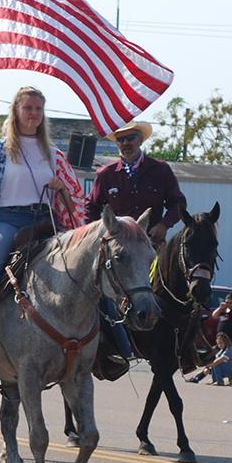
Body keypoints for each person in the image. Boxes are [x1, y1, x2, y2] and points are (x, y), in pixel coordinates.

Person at [0, 86, 86, 376]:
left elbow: (75, 196)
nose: (34, 114)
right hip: (6, 221)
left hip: (45, 222)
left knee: (86, 267)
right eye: (28, 108)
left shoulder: (53, 154)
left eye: (38, 109)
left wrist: (60, 187)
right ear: (16, 111)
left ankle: (111, 343)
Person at [85, 119, 186, 364]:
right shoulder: (106, 175)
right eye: (121, 139)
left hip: (150, 246)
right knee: (96, 292)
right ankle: (106, 349)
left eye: (130, 138)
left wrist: (164, 225)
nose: (126, 143)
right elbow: (91, 208)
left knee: (181, 288)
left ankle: (189, 344)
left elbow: (178, 203)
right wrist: (95, 235)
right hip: (117, 250)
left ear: (141, 140)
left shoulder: (160, 170)